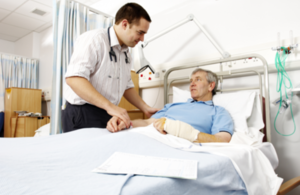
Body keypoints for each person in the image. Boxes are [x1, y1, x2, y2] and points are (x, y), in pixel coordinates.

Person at [62, 3, 159, 133]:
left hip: (108, 113)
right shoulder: (95, 40)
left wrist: (145, 108)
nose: (142, 39)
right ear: (125, 24)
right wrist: (110, 107)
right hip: (82, 112)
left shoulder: (126, 53)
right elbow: (74, 79)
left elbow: (127, 86)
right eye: (140, 33)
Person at [107, 68, 234, 143]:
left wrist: (184, 132)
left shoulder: (218, 111)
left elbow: (223, 139)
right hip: (152, 139)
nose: (192, 84)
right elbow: (147, 123)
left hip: (182, 145)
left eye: (198, 79)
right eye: (191, 81)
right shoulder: (172, 106)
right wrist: (126, 123)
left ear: (211, 86)